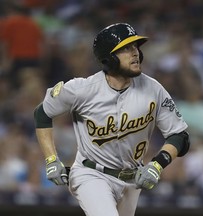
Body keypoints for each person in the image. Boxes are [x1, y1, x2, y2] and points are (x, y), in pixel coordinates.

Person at [34, 23, 190, 216]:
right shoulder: (82, 89)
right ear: (108, 59)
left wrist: (157, 164)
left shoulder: (153, 89)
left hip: (133, 179)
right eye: (126, 49)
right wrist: (51, 159)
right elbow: (42, 114)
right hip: (91, 173)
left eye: (135, 47)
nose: (135, 53)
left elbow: (179, 135)